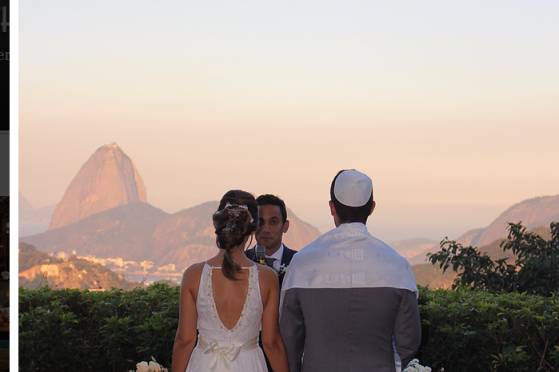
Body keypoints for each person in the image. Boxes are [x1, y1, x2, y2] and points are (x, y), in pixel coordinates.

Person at [280, 170, 421, 372]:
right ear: (372, 208)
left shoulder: (302, 263)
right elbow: (407, 343)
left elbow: (290, 336)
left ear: (332, 207)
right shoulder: (398, 266)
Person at [172, 190, 289, 372]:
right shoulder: (267, 278)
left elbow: (185, 340)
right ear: (252, 228)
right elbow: (271, 343)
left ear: (218, 224)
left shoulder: (193, 275)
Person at [246, 194, 297, 287]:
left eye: (273, 222)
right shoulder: (242, 262)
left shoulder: (298, 261)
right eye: (260, 222)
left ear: (285, 226)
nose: (266, 229)